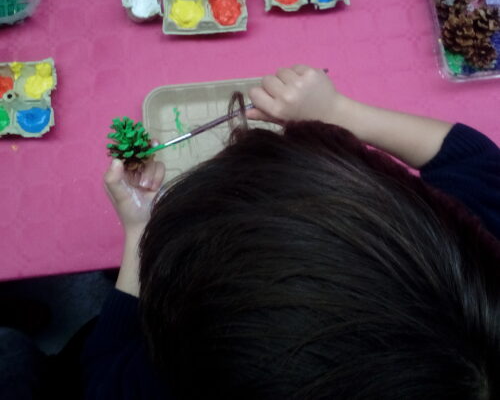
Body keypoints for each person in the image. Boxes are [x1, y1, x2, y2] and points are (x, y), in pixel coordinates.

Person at [82, 65, 500, 400]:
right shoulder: (481, 259)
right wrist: (338, 113)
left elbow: (103, 376)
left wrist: (139, 233)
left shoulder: (180, 373)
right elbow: (474, 161)